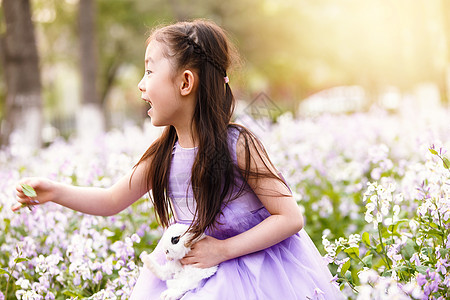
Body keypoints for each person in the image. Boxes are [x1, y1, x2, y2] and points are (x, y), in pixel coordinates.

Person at [14, 20, 345, 299]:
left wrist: (224, 250)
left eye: (149, 72)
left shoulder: (238, 145)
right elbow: (111, 199)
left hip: (255, 274)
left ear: (185, 82)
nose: (141, 86)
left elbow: (289, 218)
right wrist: (54, 192)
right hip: (195, 271)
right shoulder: (163, 154)